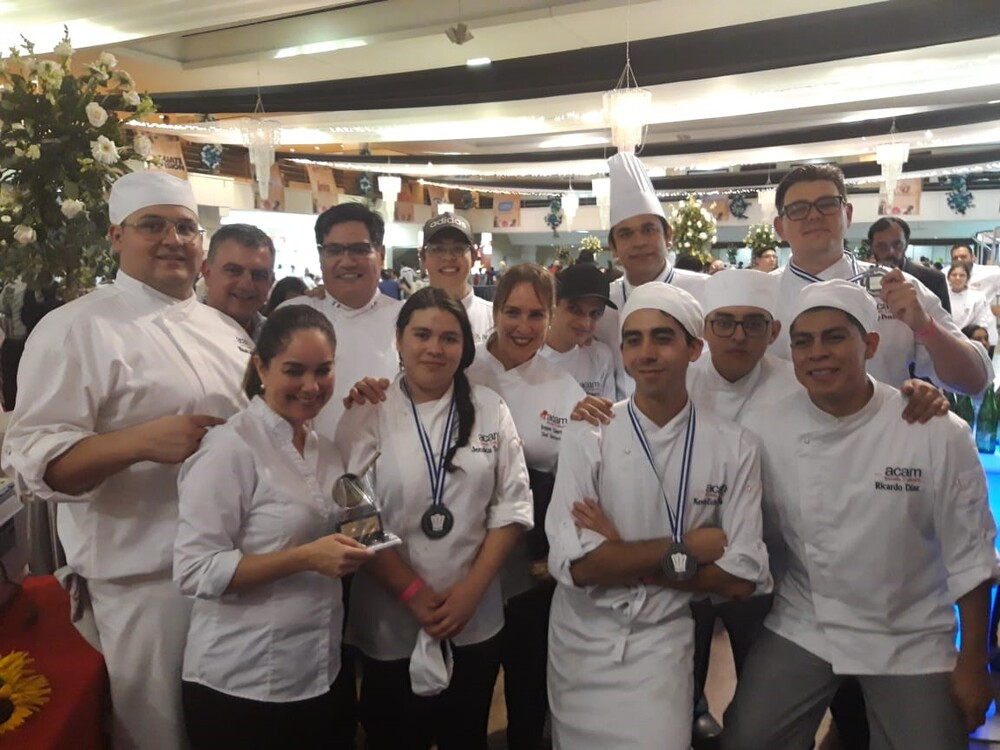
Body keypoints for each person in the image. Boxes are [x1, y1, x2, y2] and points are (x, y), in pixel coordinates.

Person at [1, 171, 252, 750]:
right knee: (162, 733)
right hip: (145, 582)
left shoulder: (224, 330)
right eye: (153, 226)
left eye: (186, 227)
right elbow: (35, 466)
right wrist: (138, 443)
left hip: (234, 569)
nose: (173, 239)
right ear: (116, 236)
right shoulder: (75, 328)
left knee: (229, 727)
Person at [724, 280, 998, 750]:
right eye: (804, 342)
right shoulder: (764, 427)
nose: (818, 353)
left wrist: (974, 660)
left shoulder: (933, 430)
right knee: (747, 739)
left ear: (869, 344)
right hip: (808, 619)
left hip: (910, 632)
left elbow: (972, 554)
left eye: (835, 337)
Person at [545, 281, 770, 750]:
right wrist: (686, 550)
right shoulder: (590, 433)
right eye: (633, 339)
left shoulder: (734, 446)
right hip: (581, 642)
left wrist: (627, 561)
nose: (646, 352)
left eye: (663, 338)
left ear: (694, 349)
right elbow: (579, 567)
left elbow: (741, 578)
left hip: (662, 639)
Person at [336, 287, 533, 750]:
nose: (434, 348)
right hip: (389, 614)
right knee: (393, 735)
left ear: (464, 347)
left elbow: (512, 506)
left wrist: (471, 591)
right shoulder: (368, 411)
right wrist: (412, 593)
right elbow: (355, 515)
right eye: (421, 334)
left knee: (465, 735)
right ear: (399, 339)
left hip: (474, 613)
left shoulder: (489, 409)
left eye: (449, 338)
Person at [175, 305, 374, 749]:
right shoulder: (230, 448)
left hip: (321, 669)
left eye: (323, 370)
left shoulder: (323, 448)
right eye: (294, 370)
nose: (311, 385)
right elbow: (194, 570)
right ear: (261, 368)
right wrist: (305, 558)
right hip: (242, 681)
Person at [466, 263, 585, 750]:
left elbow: (580, 476)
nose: (523, 326)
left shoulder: (563, 388)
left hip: (529, 564)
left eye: (537, 314)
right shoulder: (462, 366)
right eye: (512, 311)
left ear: (551, 317)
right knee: (468, 683)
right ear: (494, 311)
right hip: (462, 553)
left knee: (528, 678)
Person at [769, 164, 990, 395]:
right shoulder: (759, 297)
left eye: (827, 204)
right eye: (798, 208)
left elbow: (973, 382)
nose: (814, 215)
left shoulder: (898, 287)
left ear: (848, 214)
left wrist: (925, 326)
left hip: (883, 429)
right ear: (780, 227)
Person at [279, 202, 402, 437]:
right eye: (334, 250)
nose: (346, 262)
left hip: (391, 463)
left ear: (381, 254)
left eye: (358, 249)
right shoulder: (292, 317)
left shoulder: (407, 320)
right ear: (320, 256)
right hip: (305, 462)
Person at [593, 152, 707, 399]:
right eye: (625, 234)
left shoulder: (706, 291)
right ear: (613, 247)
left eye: (648, 230)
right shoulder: (601, 305)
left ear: (668, 236)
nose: (639, 242)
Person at [539, 263, 617, 399]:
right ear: (553, 304)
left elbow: (608, 413)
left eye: (594, 313)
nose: (585, 323)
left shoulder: (601, 357)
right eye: (575, 309)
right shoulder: (530, 355)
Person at [420, 213, 493, 342]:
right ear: (423, 258)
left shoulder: (494, 319)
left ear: (474, 256)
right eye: (438, 249)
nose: (448, 257)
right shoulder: (404, 316)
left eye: (458, 248)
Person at [201, 223, 276, 341]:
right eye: (234, 271)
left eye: (259, 275)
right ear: (207, 271)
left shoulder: (279, 340)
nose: (246, 284)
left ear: (271, 282)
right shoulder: (176, 335)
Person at [867, 217, 950, 312]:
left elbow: (946, 324)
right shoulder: (861, 281)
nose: (890, 252)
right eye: (882, 246)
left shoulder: (934, 280)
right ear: (872, 248)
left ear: (906, 244)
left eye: (897, 244)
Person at [947, 262, 997, 348]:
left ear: (967, 278)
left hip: (970, 342)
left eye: (962, 275)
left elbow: (981, 323)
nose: (957, 278)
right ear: (948, 278)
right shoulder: (942, 295)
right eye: (954, 275)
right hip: (947, 339)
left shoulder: (977, 297)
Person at [952, 242, 1000, 319]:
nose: (959, 260)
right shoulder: (945, 274)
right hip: (956, 324)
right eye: (955, 258)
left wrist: (992, 311)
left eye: (963, 257)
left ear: (973, 257)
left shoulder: (992, 273)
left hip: (984, 324)